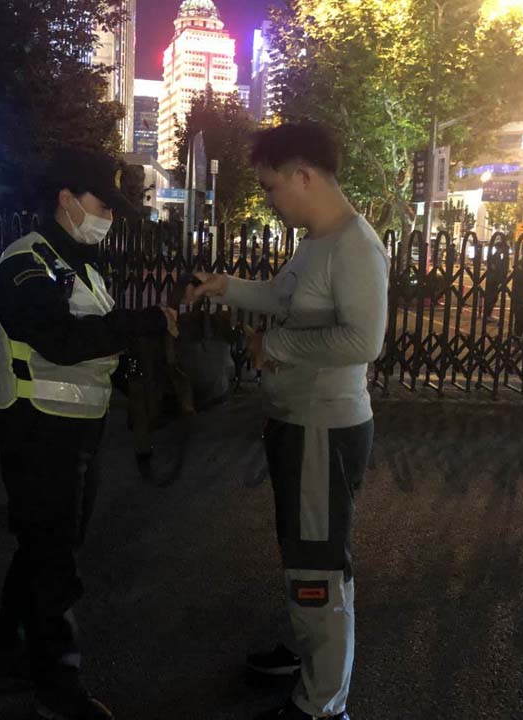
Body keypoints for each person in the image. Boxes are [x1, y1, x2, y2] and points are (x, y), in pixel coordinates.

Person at [188, 122, 389, 720]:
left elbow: (365, 340)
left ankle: (322, 704)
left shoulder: (355, 245)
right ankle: (311, 658)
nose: (270, 199)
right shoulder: (316, 242)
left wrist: (274, 347)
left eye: (271, 187)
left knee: (317, 564)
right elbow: (281, 296)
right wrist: (226, 287)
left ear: (303, 175)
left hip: (324, 428)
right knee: (305, 551)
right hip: (299, 422)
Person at [0, 148, 177, 720]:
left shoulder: (83, 268)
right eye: (102, 205)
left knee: (45, 546)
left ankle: (9, 652)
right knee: (53, 559)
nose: (109, 218)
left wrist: (142, 384)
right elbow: (60, 342)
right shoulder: (25, 265)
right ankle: (57, 686)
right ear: (66, 199)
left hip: (76, 431)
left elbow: (99, 352)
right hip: (37, 429)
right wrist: (139, 324)